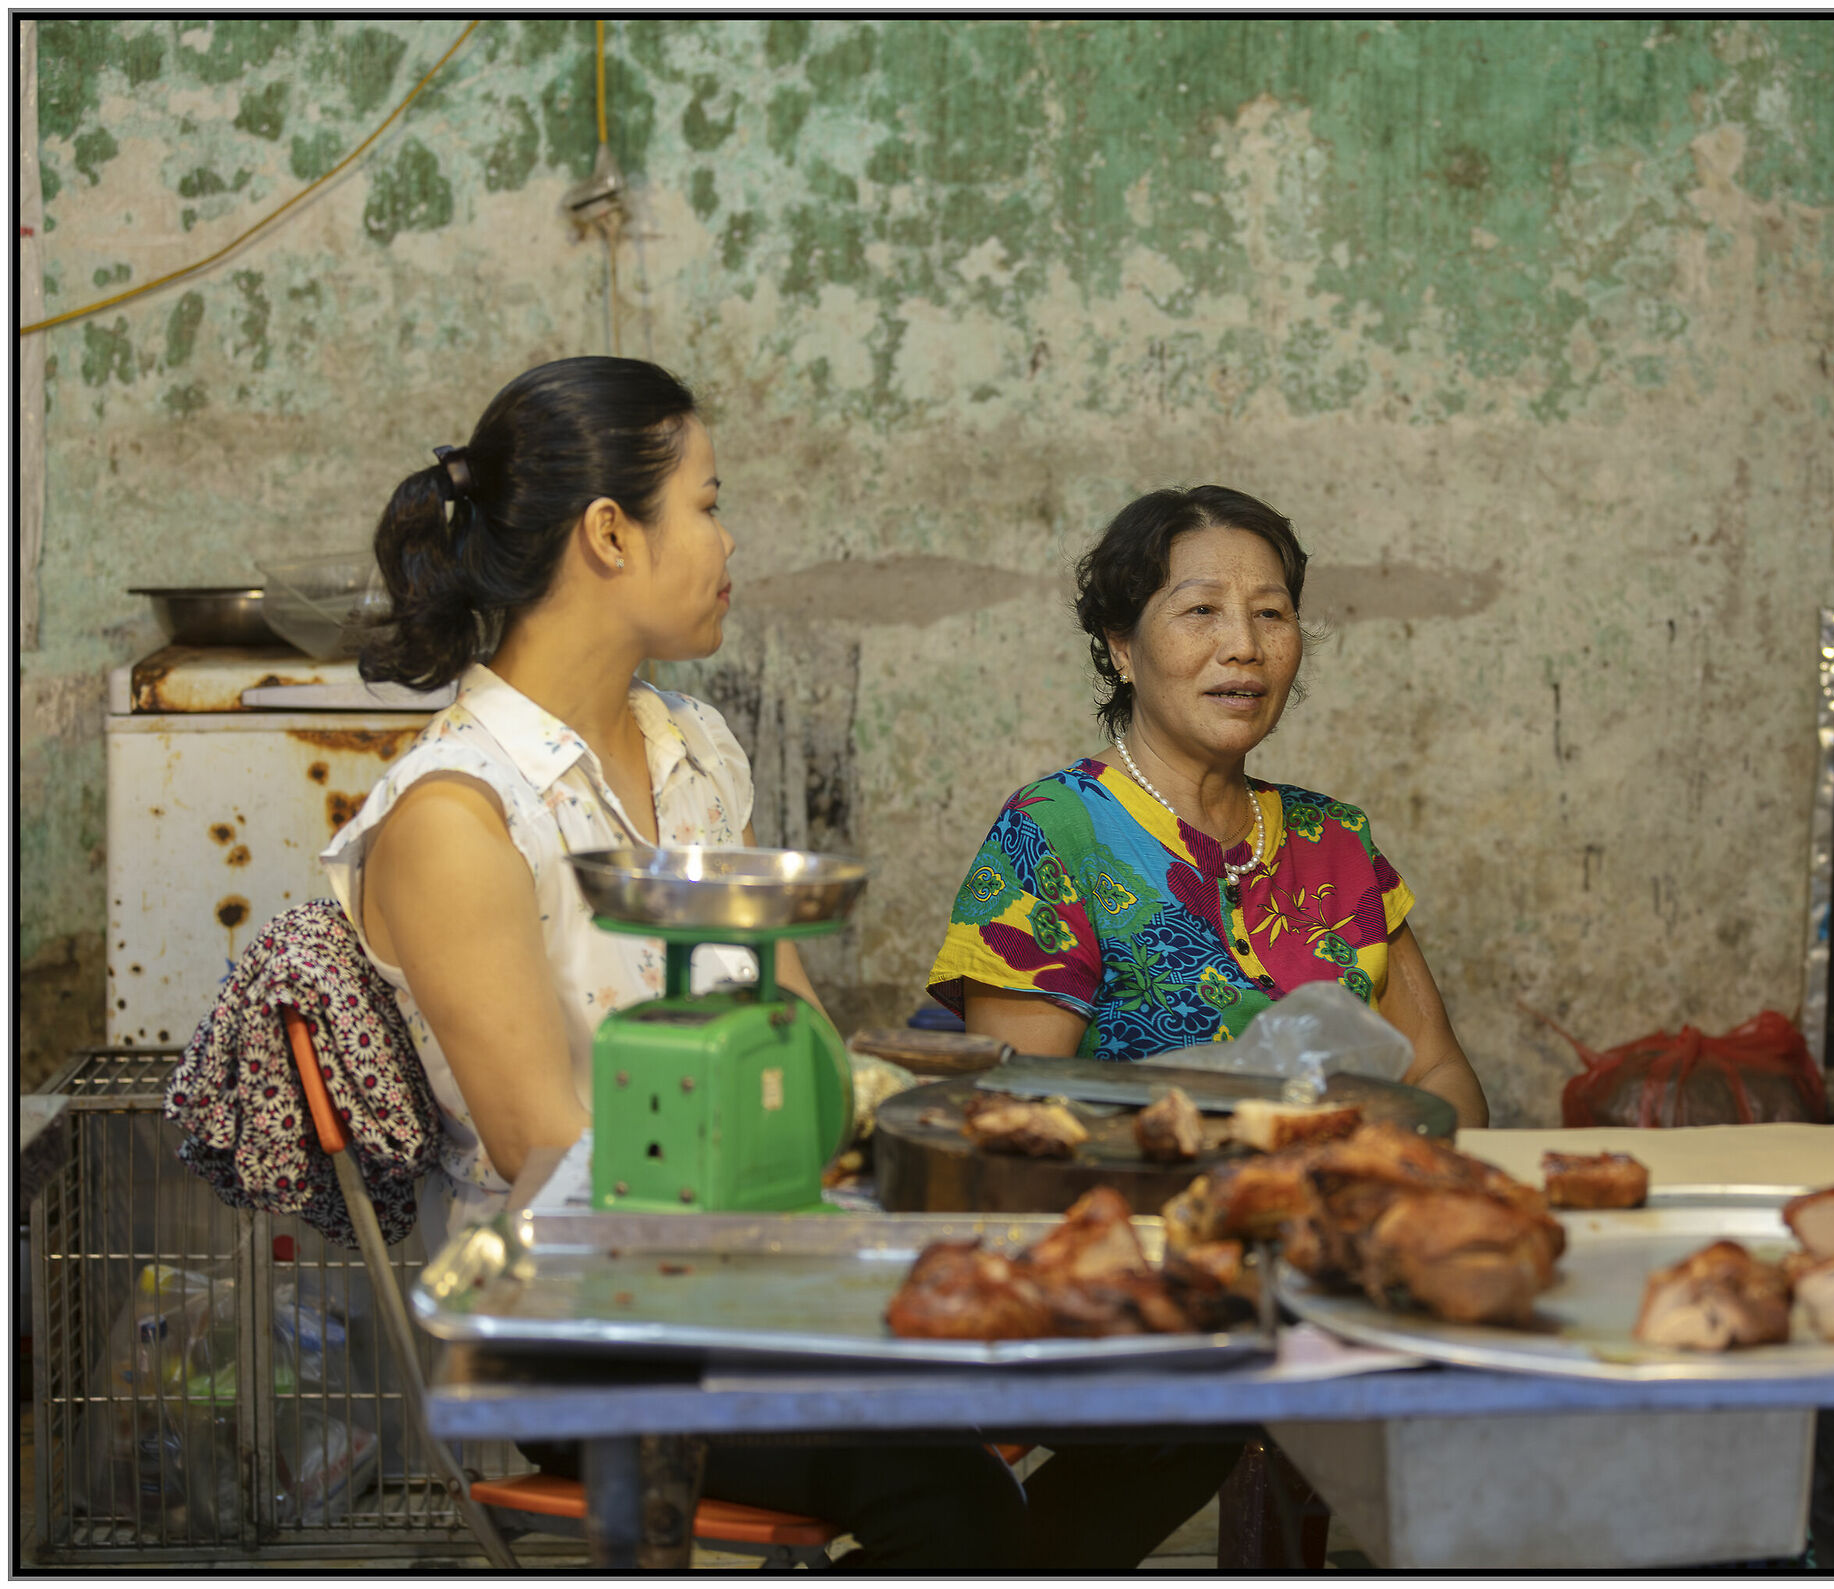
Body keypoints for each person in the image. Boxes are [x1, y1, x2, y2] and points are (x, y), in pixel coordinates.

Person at [321, 357, 1200, 1572]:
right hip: (580, 1318)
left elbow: (795, 1044)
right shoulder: (456, 815)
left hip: (764, 1251)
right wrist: (831, 1259)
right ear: (610, 534)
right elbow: (550, 1148)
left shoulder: (690, 750)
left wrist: (918, 1153)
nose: (729, 539)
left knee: (1188, 1393)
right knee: (953, 1500)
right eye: (708, 503)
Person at [929, 485, 1492, 1129]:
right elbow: (1018, 1115)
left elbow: (1437, 1072)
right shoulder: (1051, 833)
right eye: (1201, 609)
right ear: (1122, 647)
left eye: (1271, 613)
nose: (1244, 645)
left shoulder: (1335, 839)